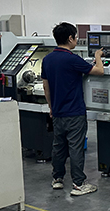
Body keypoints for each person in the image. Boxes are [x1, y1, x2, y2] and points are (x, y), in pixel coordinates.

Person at [41, 22, 104, 196]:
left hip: (58, 112)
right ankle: (78, 184)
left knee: (59, 146)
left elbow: (46, 87)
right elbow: (99, 71)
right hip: (74, 112)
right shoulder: (72, 59)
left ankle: (57, 179)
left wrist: (51, 107)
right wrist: (98, 56)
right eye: (75, 37)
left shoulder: (47, 59)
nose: (76, 39)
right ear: (70, 38)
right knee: (76, 147)